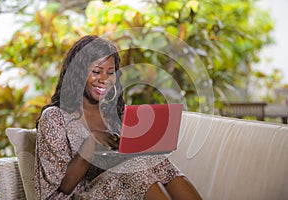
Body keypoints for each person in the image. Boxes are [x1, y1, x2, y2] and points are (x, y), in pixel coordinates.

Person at [34, 35, 202, 200]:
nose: (104, 80)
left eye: (110, 72)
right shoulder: (55, 117)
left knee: (153, 160)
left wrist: (145, 143)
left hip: (117, 190)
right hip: (72, 196)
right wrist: (91, 143)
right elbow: (64, 186)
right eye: (96, 72)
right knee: (135, 166)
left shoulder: (115, 113)